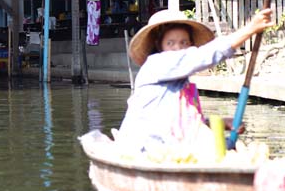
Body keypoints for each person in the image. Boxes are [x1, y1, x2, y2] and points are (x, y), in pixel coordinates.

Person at [117, 8, 274, 152]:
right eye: (170, 43)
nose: (178, 49)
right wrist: (250, 29)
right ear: (159, 46)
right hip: (143, 148)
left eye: (184, 43)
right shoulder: (156, 63)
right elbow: (203, 55)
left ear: (191, 45)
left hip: (170, 147)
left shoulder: (181, 82)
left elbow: (183, 122)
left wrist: (220, 123)